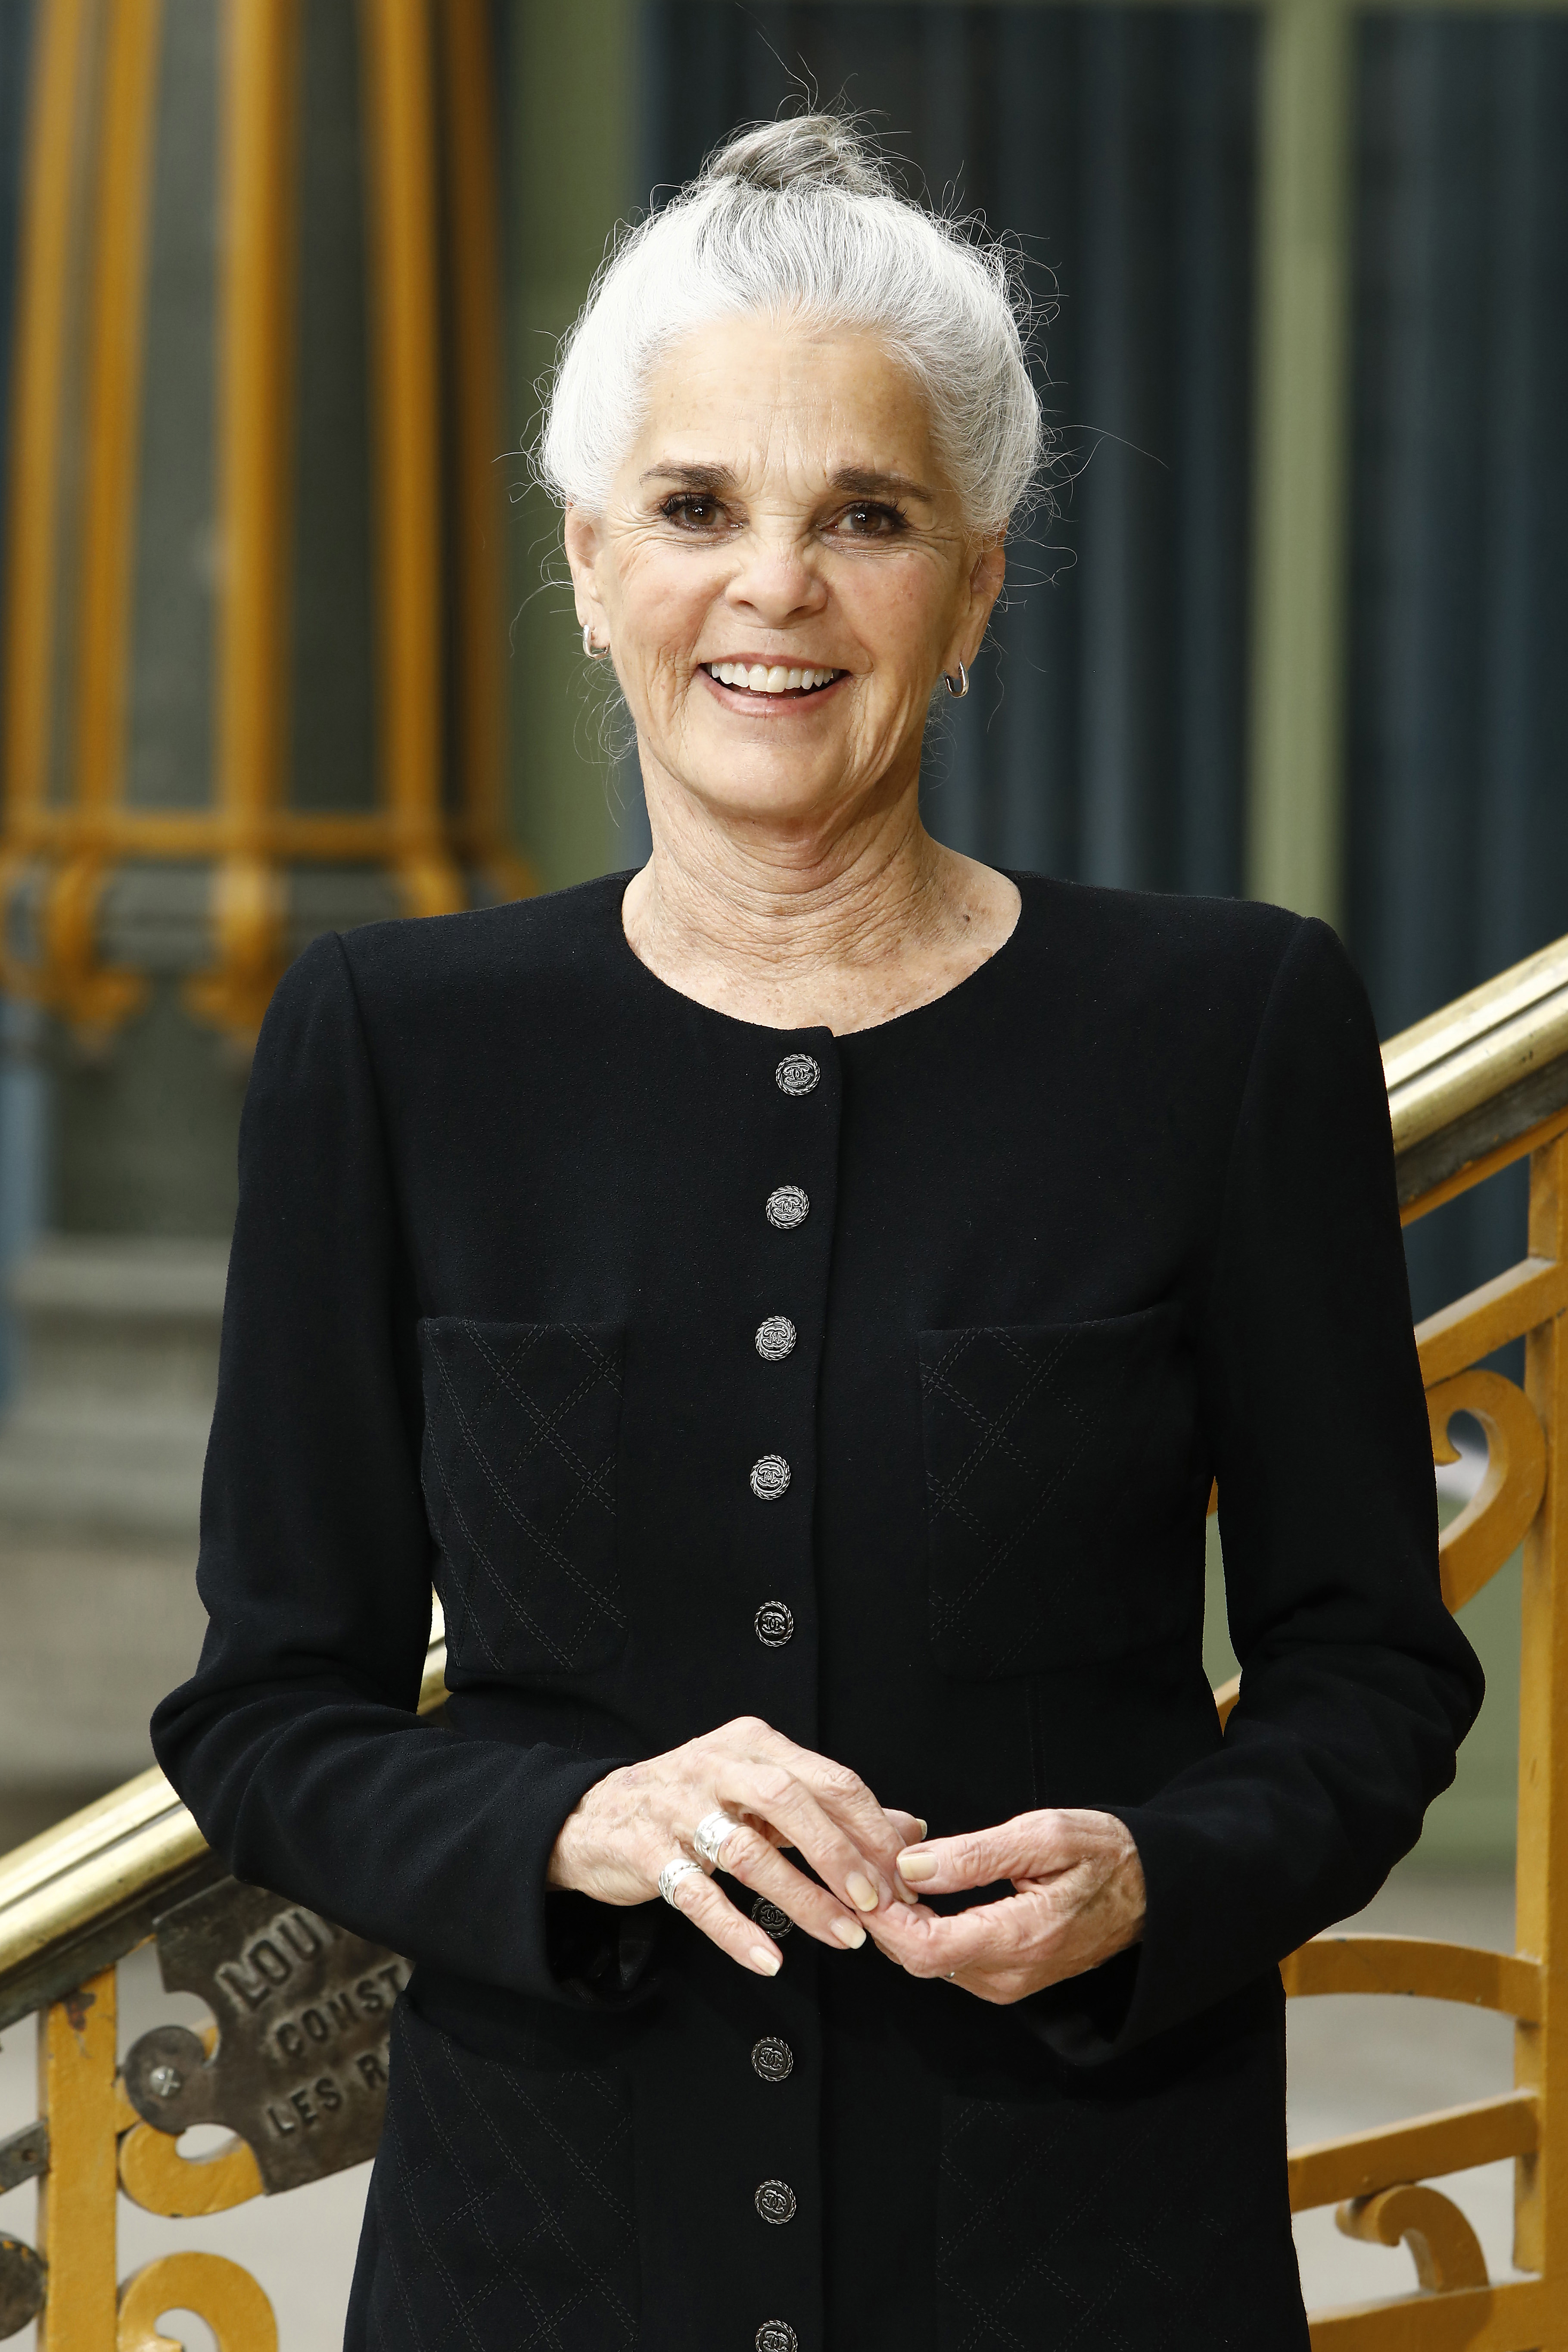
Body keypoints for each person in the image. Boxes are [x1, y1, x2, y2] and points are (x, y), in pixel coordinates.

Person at [153, 115, 1481, 2352]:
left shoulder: (1223, 1025)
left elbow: (1368, 1667)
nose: (770, 584)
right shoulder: (391, 1041)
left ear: (969, 587)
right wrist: (567, 1823)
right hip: (544, 2269)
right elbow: (272, 1709)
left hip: (1083, 2254)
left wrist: (1162, 1874)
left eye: (860, 516)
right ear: (588, 565)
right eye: (694, 509)